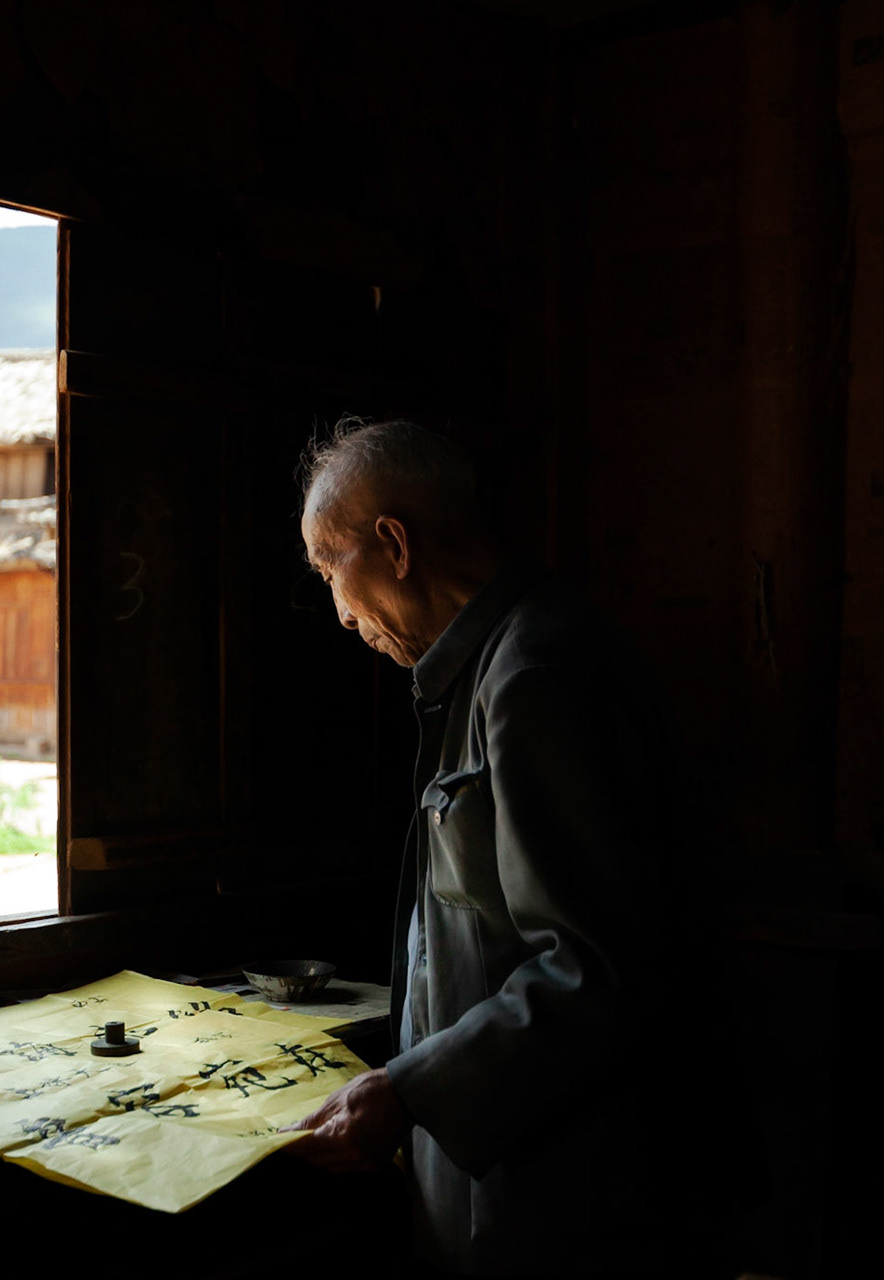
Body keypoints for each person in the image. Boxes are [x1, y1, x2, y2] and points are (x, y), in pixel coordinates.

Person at [285, 419, 698, 1277]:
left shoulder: (537, 675)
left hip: (560, 1199)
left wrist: (409, 1090)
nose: (338, 611)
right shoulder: (486, 667)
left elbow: (591, 967)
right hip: (503, 1175)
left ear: (393, 543)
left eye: (332, 571)